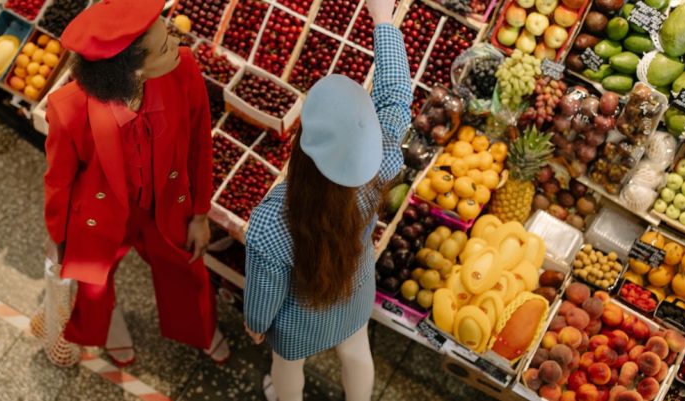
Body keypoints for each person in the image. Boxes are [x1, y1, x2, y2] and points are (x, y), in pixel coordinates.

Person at [43, 0, 229, 366]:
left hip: (165, 200)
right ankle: (107, 325)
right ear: (132, 70)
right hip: (102, 212)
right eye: (164, 46)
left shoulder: (183, 67)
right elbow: (58, 182)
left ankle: (200, 329)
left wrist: (200, 213)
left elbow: (199, 142)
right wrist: (57, 238)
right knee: (95, 282)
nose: (177, 44)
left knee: (187, 268)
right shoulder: (67, 109)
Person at [242, 0, 411, 399]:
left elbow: (265, 291)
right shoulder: (384, 162)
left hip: (299, 321)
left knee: (286, 367)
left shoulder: (272, 222)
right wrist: (383, 21)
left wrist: (255, 324)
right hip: (355, 293)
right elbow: (397, 97)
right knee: (357, 353)